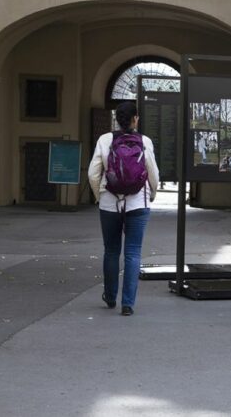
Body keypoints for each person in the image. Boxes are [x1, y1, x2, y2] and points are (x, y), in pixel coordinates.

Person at [88, 101, 159, 316]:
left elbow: (93, 173)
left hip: (110, 202)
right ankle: (128, 304)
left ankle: (110, 297)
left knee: (111, 251)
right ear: (136, 119)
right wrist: (152, 193)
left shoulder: (105, 140)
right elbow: (153, 172)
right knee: (133, 252)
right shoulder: (144, 141)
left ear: (117, 119)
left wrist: (99, 196)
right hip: (138, 202)